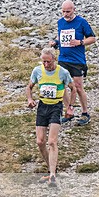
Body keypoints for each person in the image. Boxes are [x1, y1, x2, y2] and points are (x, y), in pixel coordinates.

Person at [26, 47, 74, 187]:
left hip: (56, 107)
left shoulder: (62, 72)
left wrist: (70, 107)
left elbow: (73, 88)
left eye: (48, 62)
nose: (46, 65)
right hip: (42, 106)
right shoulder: (37, 71)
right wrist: (30, 99)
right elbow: (29, 87)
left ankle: (52, 175)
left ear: (54, 59)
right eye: (44, 62)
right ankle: (51, 168)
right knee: (40, 142)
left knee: (52, 142)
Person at [51, 0, 96, 126]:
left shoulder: (81, 22)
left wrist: (80, 42)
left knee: (78, 87)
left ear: (74, 10)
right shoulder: (60, 22)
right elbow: (60, 37)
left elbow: (92, 38)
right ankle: (69, 110)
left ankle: (85, 113)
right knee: (62, 86)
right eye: (63, 11)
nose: (66, 14)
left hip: (77, 60)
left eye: (68, 11)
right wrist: (56, 43)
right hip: (63, 59)